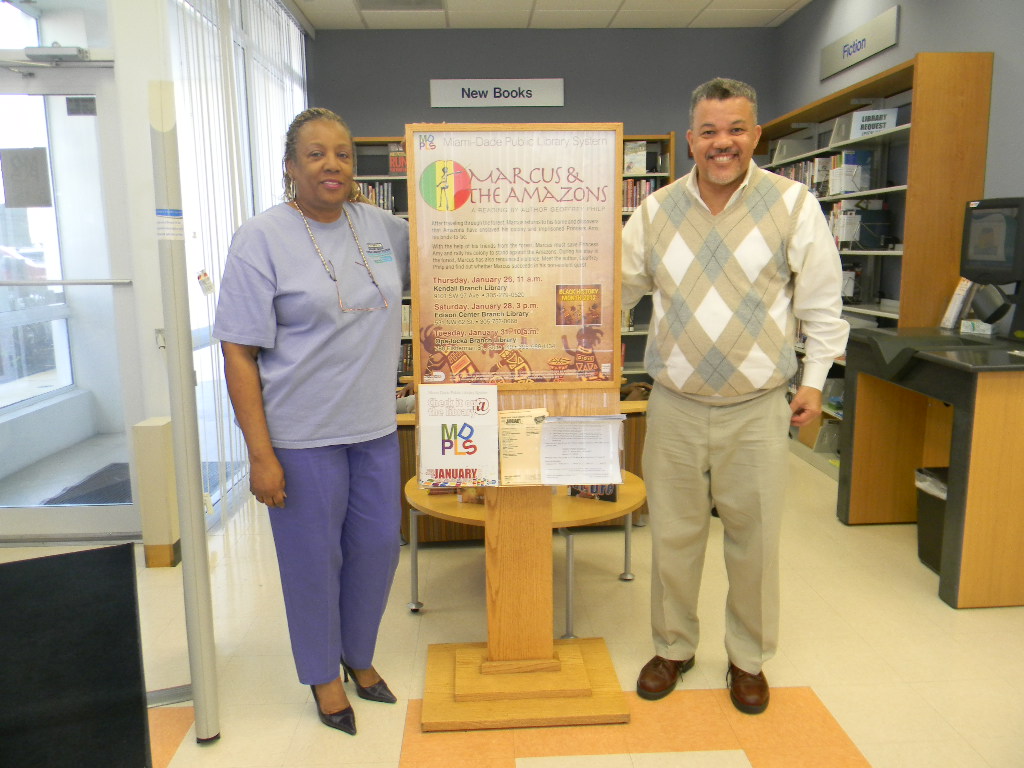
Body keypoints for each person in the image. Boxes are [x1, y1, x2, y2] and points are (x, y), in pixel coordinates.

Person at [622, 78, 849, 714]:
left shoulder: (795, 204)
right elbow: (618, 288)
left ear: (757, 134)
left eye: (737, 129)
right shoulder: (655, 211)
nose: (724, 143)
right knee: (672, 534)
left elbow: (823, 306)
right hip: (674, 403)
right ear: (690, 139)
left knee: (754, 540)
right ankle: (673, 646)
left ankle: (747, 659)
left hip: (758, 407)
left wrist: (813, 380)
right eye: (710, 132)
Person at [213, 107, 410, 735]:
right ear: (290, 167)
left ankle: (359, 654)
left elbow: (450, 249)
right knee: (312, 561)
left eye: (344, 154)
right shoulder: (260, 237)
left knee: (379, 549)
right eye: (317, 154)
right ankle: (325, 675)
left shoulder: (380, 225)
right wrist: (261, 454)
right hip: (301, 438)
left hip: (376, 428)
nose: (333, 165)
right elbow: (239, 351)